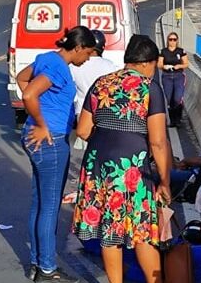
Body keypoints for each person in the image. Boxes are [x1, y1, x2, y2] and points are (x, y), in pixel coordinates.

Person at [73, 34, 171, 283]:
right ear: (148, 63)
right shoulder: (149, 87)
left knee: (110, 229)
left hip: (98, 166)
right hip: (132, 169)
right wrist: (165, 181)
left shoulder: (101, 83)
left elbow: (83, 130)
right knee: (142, 230)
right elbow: (158, 141)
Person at [17, 26, 96, 282]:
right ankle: (47, 269)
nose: (88, 58)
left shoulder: (46, 58)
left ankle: (37, 263)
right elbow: (29, 93)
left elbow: (21, 78)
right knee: (49, 207)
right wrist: (42, 123)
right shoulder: (58, 66)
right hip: (50, 140)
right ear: (78, 48)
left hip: (37, 137)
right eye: (88, 53)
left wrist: (38, 117)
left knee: (39, 203)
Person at [70, 30, 118, 150]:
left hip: (82, 112)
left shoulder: (75, 65)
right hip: (104, 111)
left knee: (87, 149)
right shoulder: (109, 66)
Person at [158, 32, 189, 128]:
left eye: (174, 39)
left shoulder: (181, 51)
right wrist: (164, 66)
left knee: (177, 98)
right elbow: (159, 64)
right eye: (170, 39)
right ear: (168, 40)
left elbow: (186, 64)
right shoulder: (164, 51)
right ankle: (172, 121)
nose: (172, 41)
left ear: (177, 41)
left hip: (178, 76)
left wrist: (179, 65)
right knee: (169, 99)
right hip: (167, 76)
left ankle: (178, 119)